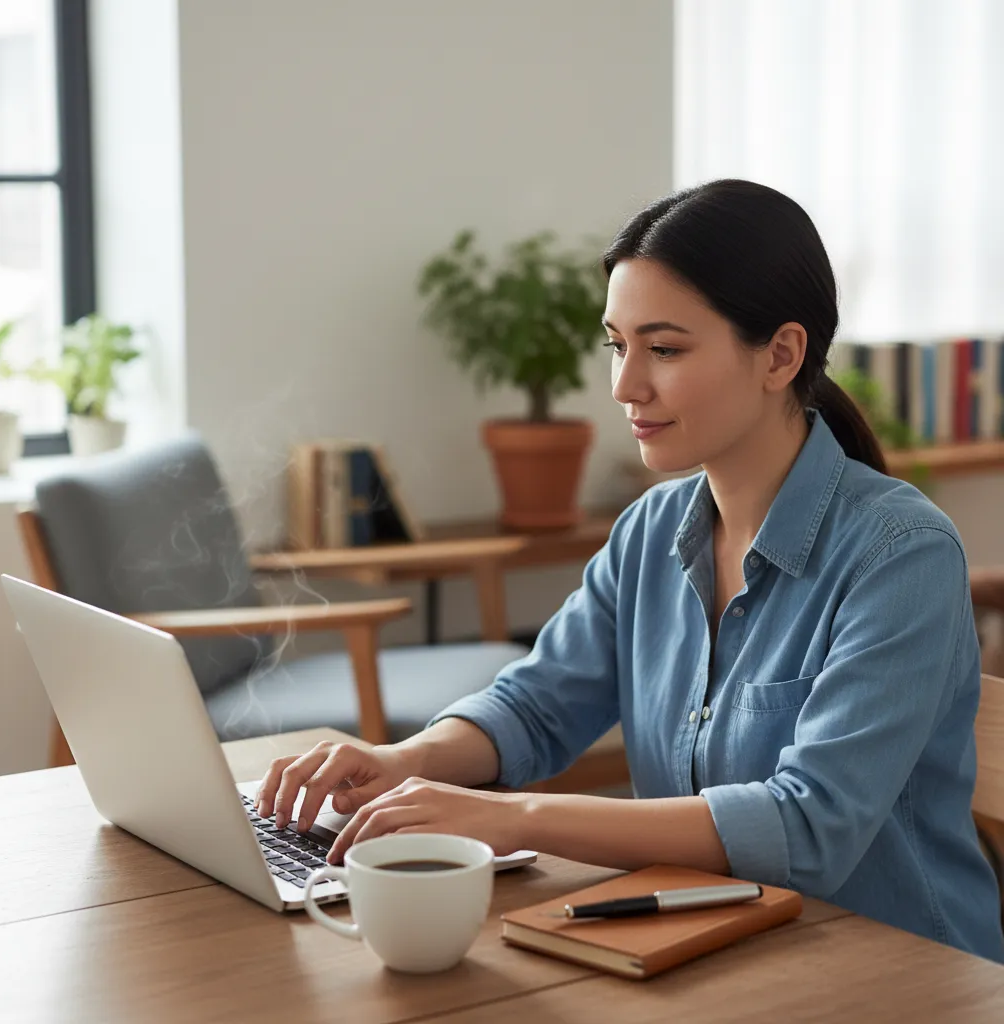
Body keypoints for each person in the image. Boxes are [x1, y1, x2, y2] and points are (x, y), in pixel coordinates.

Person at [257, 179, 1004, 961]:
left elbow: (808, 824)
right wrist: (402, 763)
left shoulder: (900, 553)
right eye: (617, 345)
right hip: (713, 942)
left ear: (780, 354)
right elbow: (539, 705)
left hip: (901, 970)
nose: (624, 386)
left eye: (666, 349)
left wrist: (514, 819)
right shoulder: (651, 530)